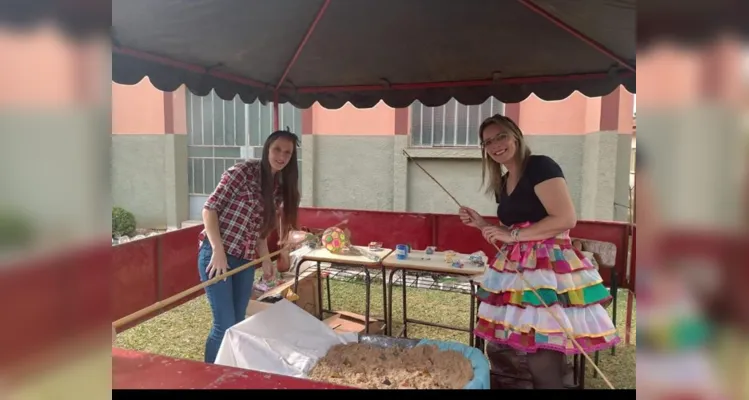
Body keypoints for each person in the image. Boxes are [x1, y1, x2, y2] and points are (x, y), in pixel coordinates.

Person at [459, 114, 619, 389]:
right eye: (488, 141)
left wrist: (512, 235)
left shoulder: (540, 166)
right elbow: (513, 232)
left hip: (547, 269)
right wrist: (483, 225)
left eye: (501, 136)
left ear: (516, 136)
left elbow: (565, 219)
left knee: (542, 351)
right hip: (519, 271)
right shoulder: (504, 181)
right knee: (526, 348)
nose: (496, 145)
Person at [197, 130, 300, 364]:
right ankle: (209, 376)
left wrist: (265, 259)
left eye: (287, 152)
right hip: (216, 257)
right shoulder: (242, 172)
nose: (281, 156)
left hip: (244, 260)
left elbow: (259, 230)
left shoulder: (277, 188)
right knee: (223, 324)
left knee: (236, 322)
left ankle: (229, 371)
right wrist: (218, 250)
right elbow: (209, 208)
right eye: (277, 149)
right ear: (266, 148)